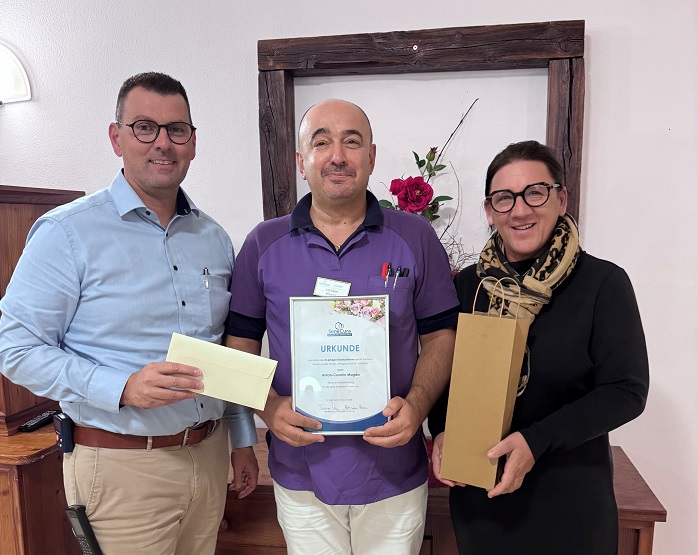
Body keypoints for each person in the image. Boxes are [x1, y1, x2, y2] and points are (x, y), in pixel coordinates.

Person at [0, 72, 259, 554]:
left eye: (176, 129)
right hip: (121, 465)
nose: (163, 143)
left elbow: (223, 348)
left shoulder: (214, 238)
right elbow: (14, 349)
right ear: (116, 138)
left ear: (193, 142)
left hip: (208, 455)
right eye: (145, 127)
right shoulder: (66, 233)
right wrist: (121, 387)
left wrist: (242, 439)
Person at [225, 99, 459, 554]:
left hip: (394, 471)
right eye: (321, 143)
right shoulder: (263, 243)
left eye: (352, 142)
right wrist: (267, 408)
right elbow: (239, 344)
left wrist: (417, 405)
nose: (337, 156)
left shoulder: (415, 237)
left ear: (371, 156)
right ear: (301, 161)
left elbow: (440, 336)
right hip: (299, 471)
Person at [429, 140, 649, 554]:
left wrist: (536, 441)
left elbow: (626, 391)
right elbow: (445, 374)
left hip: (569, 505)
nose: (520, 210)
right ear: (489, 211)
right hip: (481, 502)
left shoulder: (602, 283)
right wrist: (441, 430)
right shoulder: (468, 286)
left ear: (561, 199)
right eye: (504, 198)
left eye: (535, 192)